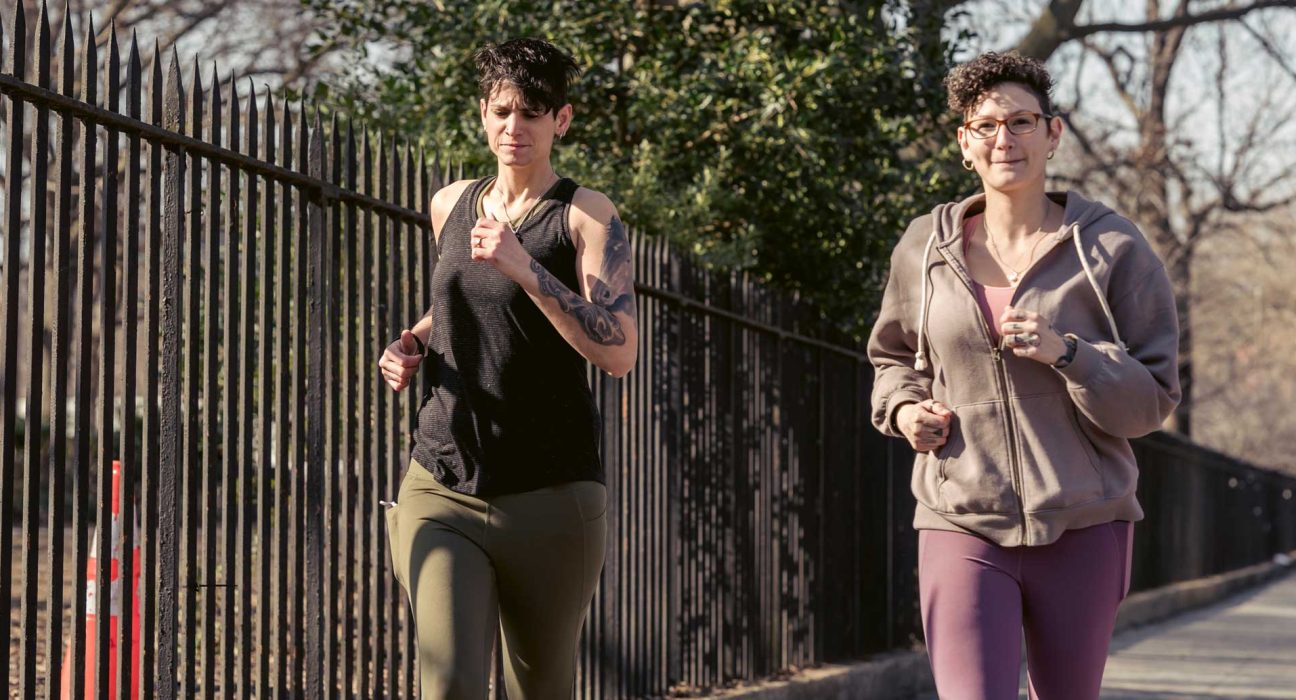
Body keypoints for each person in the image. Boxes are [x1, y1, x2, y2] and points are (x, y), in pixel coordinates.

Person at [867, 52, 1180, 699]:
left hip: (1084, 524)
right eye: (985, 126)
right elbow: (892, 358)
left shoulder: (1111, 248)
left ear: (1052, 133)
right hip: (960, 516)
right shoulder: (925, 248)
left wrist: (1070, 353)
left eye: (1020, 122)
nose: (1003, 139)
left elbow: (1151, 402)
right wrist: (905, 411)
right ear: (965, 143)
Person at [376, 38, 637, 699]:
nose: (513, 127)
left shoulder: (585, 215)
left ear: (561, 119)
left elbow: (619, 351)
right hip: (442, 481)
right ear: (482, 114)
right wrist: (413, 342)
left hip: (551, 493)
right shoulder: (450, 204)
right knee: (449, 684)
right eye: (501, 111)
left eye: (531, 112)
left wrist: (524, 267)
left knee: (539, 688)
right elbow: (462, 300)